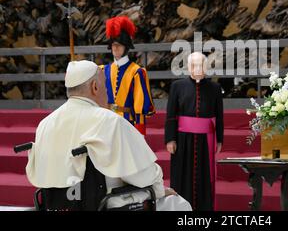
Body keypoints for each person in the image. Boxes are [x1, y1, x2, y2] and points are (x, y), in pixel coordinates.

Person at [26, 60, 191, 211]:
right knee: (179, 204)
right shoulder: (110, 121)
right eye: (105, 86)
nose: (107, 91)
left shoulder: (45, 124)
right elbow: (143, 176)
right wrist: (160, 190)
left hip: (58, 205)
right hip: (106, 203)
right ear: (95, 87)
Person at [165, 52, 224, 211]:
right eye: (194, 65)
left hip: (206, 140)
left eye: (201, 65)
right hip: (182, 140)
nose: (197, 68)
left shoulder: (215, 88)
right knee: (181, 175)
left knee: (204, 177)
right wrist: (170, 139)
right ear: (188, 67)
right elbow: (171, 115)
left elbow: (219, 116)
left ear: (206, 67)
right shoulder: (177, 86)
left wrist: (219, 139)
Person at [101, 16, 155, 135]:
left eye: (119, 45)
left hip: (127, 124)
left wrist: (141, 134)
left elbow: (140, 107)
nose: (115, 48)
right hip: (106, 122)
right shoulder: (102, 70)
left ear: (126, 47)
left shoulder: (137, 72)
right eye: (113, 44)